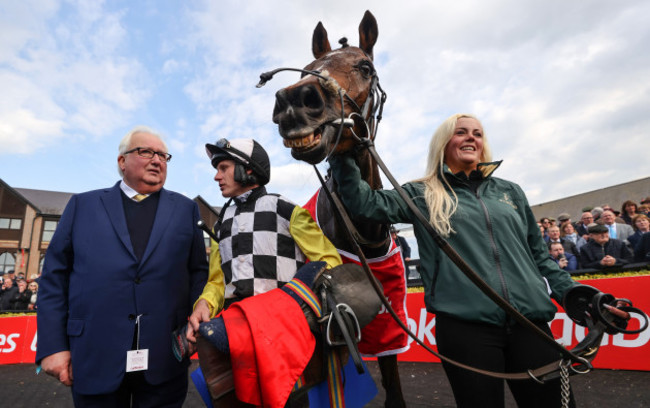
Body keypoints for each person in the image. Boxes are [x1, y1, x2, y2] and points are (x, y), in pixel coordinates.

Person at [328, 113, 578, 407]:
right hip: (465, 330)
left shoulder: (510, 192)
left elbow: (540, 257)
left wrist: (577, 294)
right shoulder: (420, 192)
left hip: (530, 324)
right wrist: (342, 153)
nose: (471, 137)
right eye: (461, 132)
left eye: (477, 133)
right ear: (444, 143)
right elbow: (364, 203)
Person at [36, 126, 208, 407]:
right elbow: (54, 280)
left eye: (163, 156)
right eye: (146, 152)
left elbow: (198, 273)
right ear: (122, 161)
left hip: (165, 358)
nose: (157, 160)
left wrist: (193, 329)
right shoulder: (83, 205)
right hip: (94, 356)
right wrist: (53, 346)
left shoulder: (185, 209)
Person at [187, 138, 341, 338]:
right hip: (237, 329)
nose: (217, 176)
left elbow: (329, 262)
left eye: (223, 168)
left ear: (248, 169)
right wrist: (203, 304)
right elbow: (218, 282)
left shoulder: (286, 209)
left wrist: (295, 297)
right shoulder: (220, 223)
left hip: (285, 328)